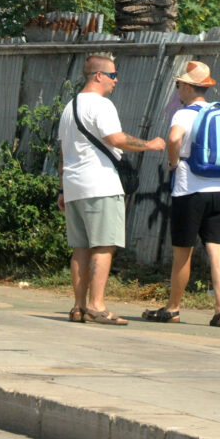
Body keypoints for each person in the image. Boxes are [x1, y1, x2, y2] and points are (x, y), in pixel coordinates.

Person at [142, 61, 220, 327]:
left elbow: (173, 140)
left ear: (187, 86)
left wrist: (174, 164)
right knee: (217, 249)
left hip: (189, 190)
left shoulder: (184, 114)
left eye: (179, 85)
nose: (178, 89)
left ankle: (172, 308)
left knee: (183, 251)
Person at [58, 53, 165, 325]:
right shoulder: (101, 105)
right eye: (113, 75)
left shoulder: (69, 107)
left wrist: (61, 190)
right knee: (104, 246)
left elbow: (64, 153)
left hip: (74, 187)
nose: (116, 81)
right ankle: (97, 305)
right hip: (101, 184)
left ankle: (79, 306)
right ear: (98, 76)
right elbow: (116, 139)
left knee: (80, 248)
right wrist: (151, 144)